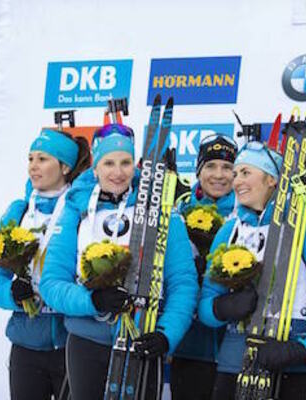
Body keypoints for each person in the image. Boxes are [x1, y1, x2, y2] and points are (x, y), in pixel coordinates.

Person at [39, 123, 199, 400]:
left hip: (142, 339)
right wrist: (93, 301)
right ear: (96, 167)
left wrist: (166, 335)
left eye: (125, 162)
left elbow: (183, 282)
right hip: (87, 342)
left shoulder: (161, 210)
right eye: (109, 163)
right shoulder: (75, 210)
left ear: (135, 164)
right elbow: (51, 282)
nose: (118, 172)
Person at [198, 142, 306, 400]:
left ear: (272, 179)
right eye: (236, 173)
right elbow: (205, 306)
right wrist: (222, 308)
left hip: (287, 366)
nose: (236, 180)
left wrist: (304, 350)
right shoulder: (228, 231)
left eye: (246, 172)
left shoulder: (305, 222)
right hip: (232, 366)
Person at [0, 128, 90, 400]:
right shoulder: (19, 212)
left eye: (43, 159)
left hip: (70, 342)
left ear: (64, 167)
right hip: (26, 343)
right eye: (30, 159)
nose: (33, 166)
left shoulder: (83, 210)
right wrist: (11, 294)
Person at [170, 133, 237, 400]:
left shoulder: (248, 212)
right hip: (189, 342)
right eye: (210, 166)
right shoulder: (180, 208)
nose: (218, 175)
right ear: (198, 170)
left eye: (227, 167)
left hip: (231, 342)